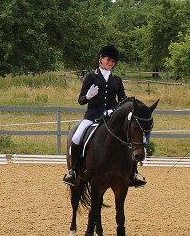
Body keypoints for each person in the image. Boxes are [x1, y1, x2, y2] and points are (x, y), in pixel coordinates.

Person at [62, 45, 147, 187]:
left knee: (128, 139)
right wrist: (88, 96)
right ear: (101, 58)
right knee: (76, 137)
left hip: (111, 117)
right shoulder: (91, 76)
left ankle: (133, 174)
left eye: (113, 62)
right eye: (108, 60)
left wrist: (121, 107)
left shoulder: (117, 80)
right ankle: (73, 172)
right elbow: (81, 100)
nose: (110, 63)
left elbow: (123, 100)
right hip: (92, 116)